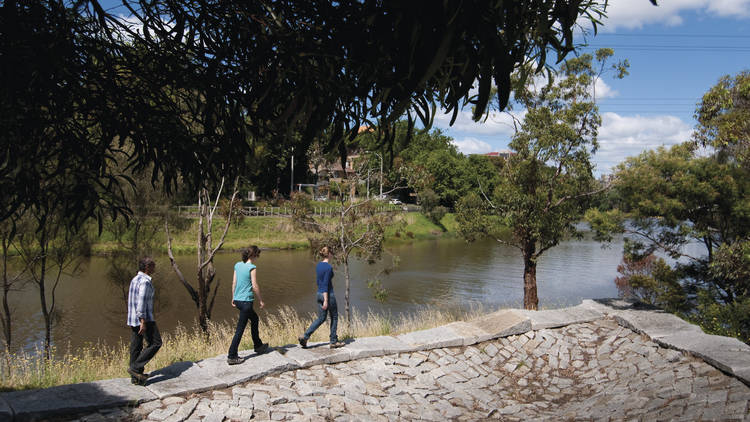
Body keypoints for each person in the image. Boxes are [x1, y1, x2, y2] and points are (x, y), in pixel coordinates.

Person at [227, 245, 269, 365]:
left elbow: (234, 282)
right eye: (257, 255)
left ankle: (258, 345)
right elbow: (255, 286)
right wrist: (261, 300)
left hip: (238, 300)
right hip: (246, 302)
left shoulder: (237, 265)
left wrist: (233, 297)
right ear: (253, 255)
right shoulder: (252, 267)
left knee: (255, 319)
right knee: (240, 329)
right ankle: (232, 355)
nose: (257, 257)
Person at [298, 246, 345, 349]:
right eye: (331, 252)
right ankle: (333, 341)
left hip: (318, 294)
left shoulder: (319, 265)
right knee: (334, 317)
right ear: (329, 254)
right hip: (327, 294)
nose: (332, 254)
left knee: (321, 318)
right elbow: (325, 284)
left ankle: (305, 336)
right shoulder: (328, 267)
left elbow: (320, 282)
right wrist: (326, 300)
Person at [127, 257, 162, 385]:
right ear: (147, 267)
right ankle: (135, 368)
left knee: (136, 346)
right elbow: (141, 302)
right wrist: (143, 321)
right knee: (156, 343)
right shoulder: (145, 282)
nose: (155, 268)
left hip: (132, 318)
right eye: (153, 266)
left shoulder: (135, 279)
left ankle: (136, 378)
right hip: (144, 319)